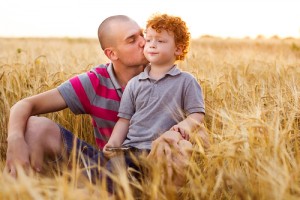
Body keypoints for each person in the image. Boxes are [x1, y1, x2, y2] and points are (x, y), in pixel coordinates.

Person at [103, 13, 205, 186]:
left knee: (164, 185)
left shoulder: (186, 81)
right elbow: (124, 120)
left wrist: (184, 126)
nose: (151, 45)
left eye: (160, 41)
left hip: (164, 150)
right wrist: (113, 143)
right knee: (111, 177)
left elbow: (197, 114)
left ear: (178, 49)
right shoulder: (135, 83)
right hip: (132, 150)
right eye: (149, 40)